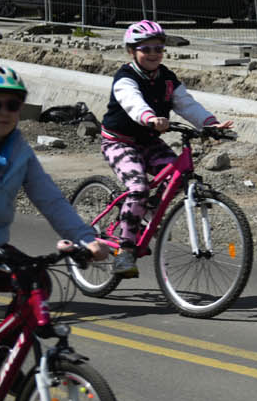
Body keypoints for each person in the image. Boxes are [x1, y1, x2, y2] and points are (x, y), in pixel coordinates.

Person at [98, 22, 232, 278]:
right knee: (137, 188)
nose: (152, 54)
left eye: (158, 48)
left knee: (178, 176)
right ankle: (125, 250)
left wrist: (211, 124)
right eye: (145, 48)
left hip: (148, 141)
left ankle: (147, 210)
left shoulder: (167, 78)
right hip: (120, 141)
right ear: (131, 51)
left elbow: (186, 104)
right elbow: (131, 101)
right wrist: (149, 117)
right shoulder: (125, 77)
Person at [0, 64, 106, 258]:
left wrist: (86, 239)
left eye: (12, 105)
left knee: (36, 282)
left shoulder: (20, 152)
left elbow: (51, 200)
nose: (4, 112)